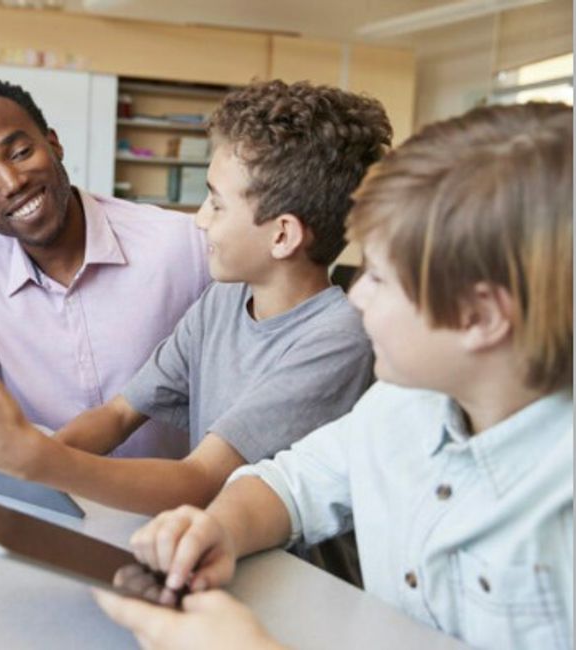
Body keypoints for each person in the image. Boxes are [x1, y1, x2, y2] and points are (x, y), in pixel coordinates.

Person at [94, 102, 573, 650]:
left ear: (480, 318)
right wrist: (219, 528)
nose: (359, 296)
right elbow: (291, 485)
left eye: (383, 279)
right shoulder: (399, 407)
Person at [0, 80, 389, 515]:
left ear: (281, 236)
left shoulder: (335, 338)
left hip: (296, 578)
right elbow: (120, 414)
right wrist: (21, 471)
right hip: (205, 541)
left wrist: (32, 458)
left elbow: (200, 481)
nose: (199, 220)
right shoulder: (223, 302)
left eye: (215, 202)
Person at [0, 79, 211, 458]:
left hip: (171, 503)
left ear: (53, 143)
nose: (12, 182)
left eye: (21, 152)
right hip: (42, 498)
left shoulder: (179, 244)